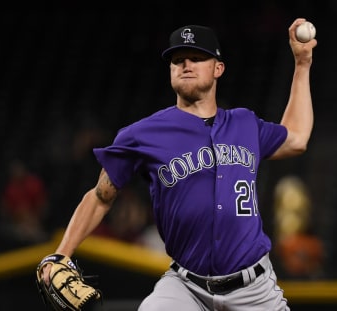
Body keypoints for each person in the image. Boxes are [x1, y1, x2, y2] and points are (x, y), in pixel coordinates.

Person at [40, 18, 317, 310]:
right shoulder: (142, 134)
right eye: (178, 60)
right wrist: (61, 255)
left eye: (197, 58)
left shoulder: (245, 123)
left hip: (254, 289)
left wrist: (302, 65)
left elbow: (297, 138)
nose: (186, 64)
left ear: (218, 68)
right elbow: (99, 197)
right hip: (186, 287)